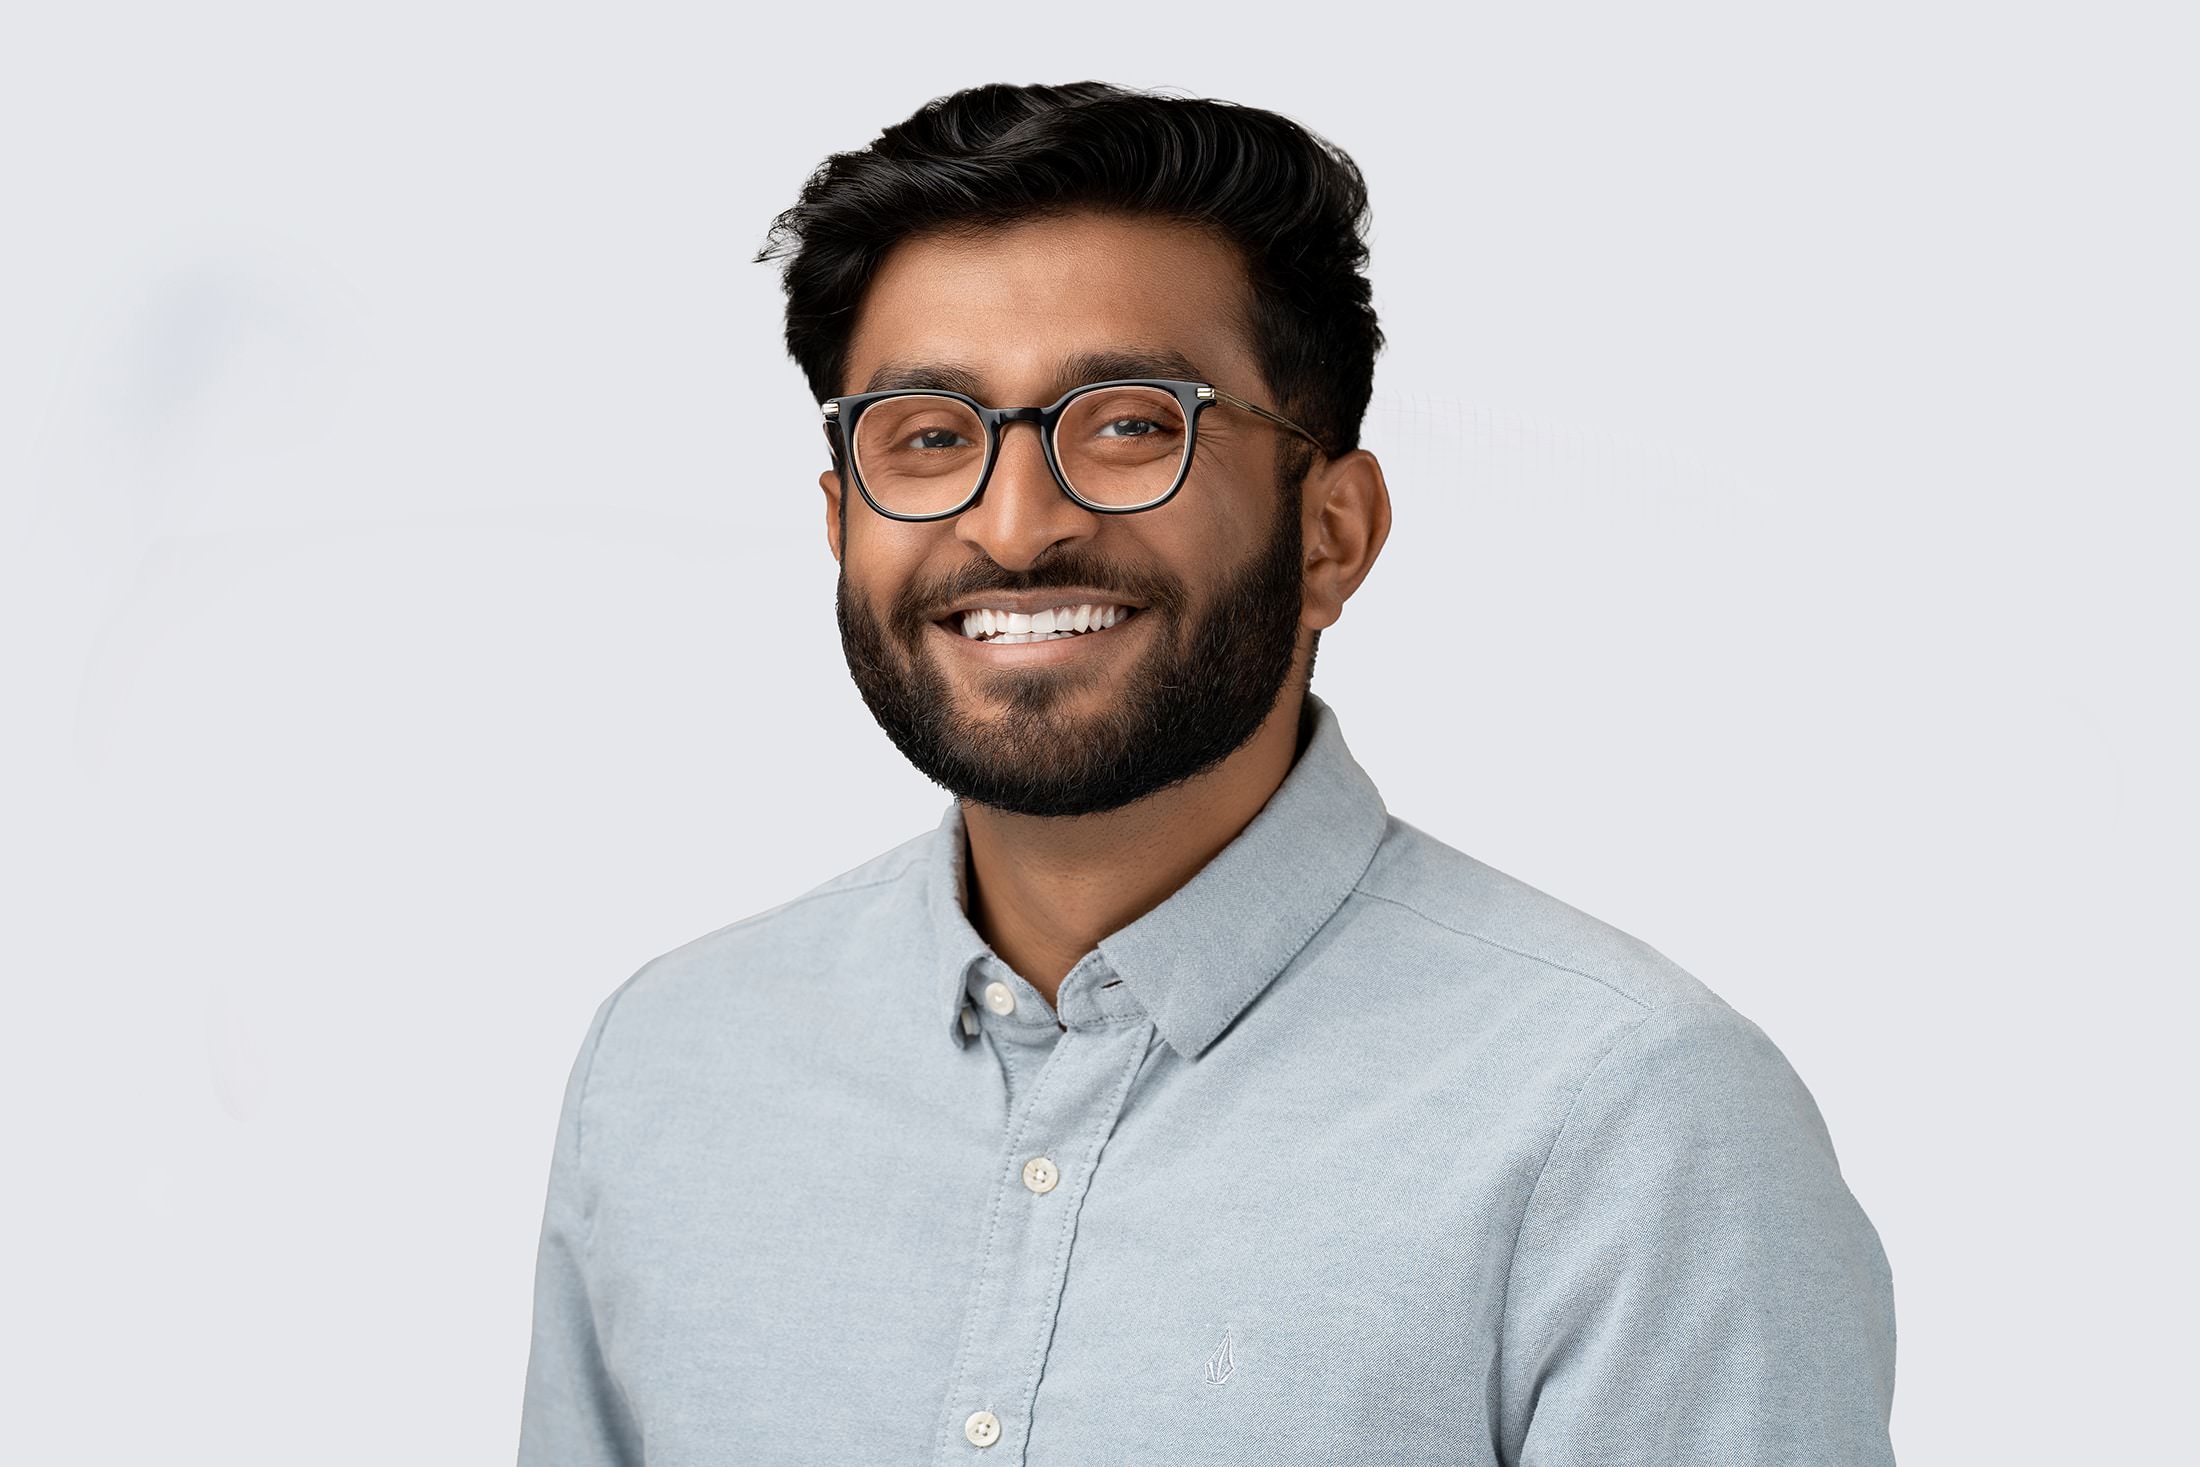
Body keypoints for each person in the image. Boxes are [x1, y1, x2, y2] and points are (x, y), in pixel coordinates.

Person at [517, 81, 1896, 1465]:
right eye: (928, 436)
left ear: (1333, 534)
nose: (1012, 528)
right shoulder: (671, 1066)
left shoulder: (1627, 1118)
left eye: (1127, 425)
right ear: (841, 516)